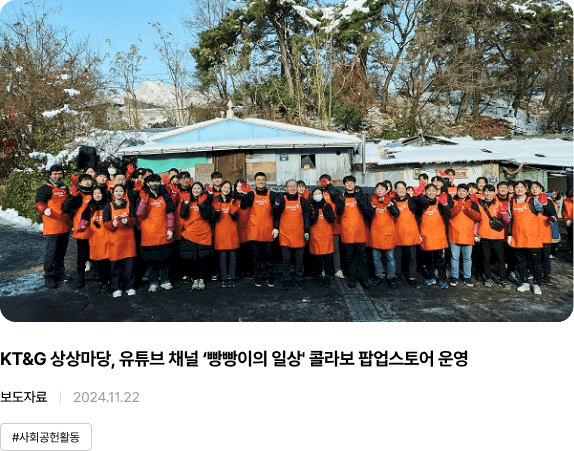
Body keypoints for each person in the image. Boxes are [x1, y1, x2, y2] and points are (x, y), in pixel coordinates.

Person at [135, 174, 175, 292]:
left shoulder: (165, 196)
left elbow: (170, 213)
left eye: (157, 181)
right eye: (152, 182)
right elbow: (139, 215)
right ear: (148, 184)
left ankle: (165, 281)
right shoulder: (142, 196)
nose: (155, 184)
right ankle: (153, 282)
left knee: (165, 259)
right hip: (149, 234)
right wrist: (144, 201)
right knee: (151, 261)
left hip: (163, 232)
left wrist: (170, 229)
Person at [35, 164, 73, 288]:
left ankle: (60, 272)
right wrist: (43, 209)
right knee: (51, 253)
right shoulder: (45, 189)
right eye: (55, 174)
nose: (57, 176)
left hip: (65, 225)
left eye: (60, 173)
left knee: (61, 252)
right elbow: (39, 203)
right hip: (52, 226)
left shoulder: (64, 188)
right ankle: (49, 277)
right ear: (50, 175)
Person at [240, 172, 280, 287]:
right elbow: (243, 206)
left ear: (266, 181)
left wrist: (276, 227)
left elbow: (277, 213)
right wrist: (243, 195)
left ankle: (269, 278)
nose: (261, 182)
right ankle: (258, 278)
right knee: (256, 257)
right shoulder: (250, 195)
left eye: (263, 179)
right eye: (258, 180)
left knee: (269, 258)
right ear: (255, 182)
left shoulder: (272, 195)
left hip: (268, 231)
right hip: (254, 231)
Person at [336, 175, 373, 289]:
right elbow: (338, 212)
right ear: (344, 185)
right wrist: (341, 202)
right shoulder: (341, 197)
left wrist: (360, 200)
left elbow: (367, 211)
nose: (349, 184)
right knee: (349, 256)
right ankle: (351, 278)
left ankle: (364, 278)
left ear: (355, 184)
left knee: (362, 256)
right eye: (347, 182)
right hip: (347, 231)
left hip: (360, 231)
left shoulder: (361, 196)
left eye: (351, 182)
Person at [508, 181, 544, 295]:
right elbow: (510, 220)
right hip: (518, 237)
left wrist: (545, 203)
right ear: (514, 189)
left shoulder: (532, 201)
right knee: (521, 262)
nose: (519, 189)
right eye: (517, 187)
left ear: (526, 189)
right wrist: (509, 235)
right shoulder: (511, 202)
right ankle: (524, 283)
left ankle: (537, 284)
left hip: (533, 238)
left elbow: (544, 210)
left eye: (521, 187)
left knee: (535, 263)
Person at [472, 184, 510, 288]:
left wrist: (504, 212)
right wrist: (475, 234)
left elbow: (507, 221)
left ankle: (502, 279)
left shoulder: (499, 204)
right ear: (483, 192)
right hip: (484, 235)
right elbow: (476, 221)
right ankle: (488, 278)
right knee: (486, 259)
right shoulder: (479, 204)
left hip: (497, 236)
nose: (488, 193)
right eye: (486, 191)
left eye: (490, 191)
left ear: (494, 193)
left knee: (500, 259)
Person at [275, 179, 311, 289]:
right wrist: (276, 228)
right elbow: (277, 215)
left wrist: (306, 230)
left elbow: (306, 216)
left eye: (294, 186)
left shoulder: (302, 201)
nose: (292, 188)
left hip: (299, 235)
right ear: (286, 188)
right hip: (285, 235)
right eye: (289, 186)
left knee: (299, 260)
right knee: (286, 260)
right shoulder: (282, 200)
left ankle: (299, 279)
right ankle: (286, 279)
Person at [103, 185, 137, 298]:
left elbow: (134, 220)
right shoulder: (108, 206)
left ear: (124, 192)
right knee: (115, 266)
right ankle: (116, 288)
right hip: (115, 240)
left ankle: (130, 286)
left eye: (121, 191)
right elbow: (105, 223)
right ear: (113, 193)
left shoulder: (129, 204)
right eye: (116, 191)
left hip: (128, 240)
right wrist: (112, 224)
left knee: (130, 265)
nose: (119, 193)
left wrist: (128, 221)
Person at [179, 181, 213, 290]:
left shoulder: (206, 200)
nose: (196, 190)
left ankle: (201, 279)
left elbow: (208, 215)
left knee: (203, 258)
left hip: (203, 232)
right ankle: (194, 279)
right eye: (194, 188)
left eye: (198, 188)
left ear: (202, 190)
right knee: (192, 258)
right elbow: (182, 215)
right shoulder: (187, 200)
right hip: (190, 233)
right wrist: (185, 203)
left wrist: (201, 204)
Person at [61, 174, 93, 288]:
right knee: (82, 253)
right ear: (80, 182)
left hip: (96, 227)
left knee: (95, 251)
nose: (87, 182)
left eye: (89, 180)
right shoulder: (78, 194)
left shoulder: (96, 192)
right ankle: (81, 275)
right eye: (84, 180)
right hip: (82, 227)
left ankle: (97, 273)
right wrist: (72, 196)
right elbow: (65, 208)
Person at [77, 186, 111, 292]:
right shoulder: (90, 206)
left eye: (99, 193)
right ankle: (102, 281)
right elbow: (84, 218)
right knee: (97, 260)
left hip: (107, 236)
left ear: (103, 194)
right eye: (95, 193)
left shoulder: (108, 204)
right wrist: (82, 225)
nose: (97, 195)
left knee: (108, 260)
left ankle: (109, 281)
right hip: (95, 238)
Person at [418, 184, 450, 288]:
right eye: (429, 190)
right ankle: (431, 277)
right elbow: (417, 219)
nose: (431, 192)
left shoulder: (440, 202)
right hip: (426, 235)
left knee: (440, 260)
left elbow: (448, 216)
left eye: (433, 190)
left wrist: (446, 205)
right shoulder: (421, 203)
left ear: (437, 192)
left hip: (439, 236)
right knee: (429, 260)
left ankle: (442, 279)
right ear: (425, 192)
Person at [448, 184, 480, 287]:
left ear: (467, 193)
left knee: (467, 258)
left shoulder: (473, 203)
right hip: (454, 233)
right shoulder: (452, 202)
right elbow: (448, 215)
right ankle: (454, 276)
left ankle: (467, 277)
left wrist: (468, 210)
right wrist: (457, 208)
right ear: (457, 191)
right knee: (454, 257)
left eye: (464, 191)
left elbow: (478, 217)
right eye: (460, 190)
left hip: (468, 234)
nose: (461, 193)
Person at [368, 183, 400, 288]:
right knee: (376, 257)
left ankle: (391, 277)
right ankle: (379, 276)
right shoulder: (372, 201)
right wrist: (373, 207)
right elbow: (368, 216)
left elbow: (396, 214)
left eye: (382, 188)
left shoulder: (391, 201)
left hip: (388, 233)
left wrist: (389, 204)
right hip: (376, 233)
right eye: (377, 188)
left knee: (390, 257)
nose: (379, 190)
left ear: (386, 191)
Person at [393, 181, 422, 287]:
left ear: (406, 189)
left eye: (403, 188)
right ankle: (398, 275)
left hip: (411, 234)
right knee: (397, 258)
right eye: (399, 188)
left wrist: (419, 196)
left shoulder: (412, 201)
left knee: (412, 258)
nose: (401, 190)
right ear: (395, 190)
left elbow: (421, 210)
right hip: (397, 234)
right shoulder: (392, 202)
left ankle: (412, 277)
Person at [212, 181, 240, 288]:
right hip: (220, 231)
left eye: (228, 188)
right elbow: (212, 218)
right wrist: (217, 212)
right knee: (222, 256)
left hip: (232, 231)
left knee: (233, 255)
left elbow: (237, 217)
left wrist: (233, 213)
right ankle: (224, 278)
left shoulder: (233, 201)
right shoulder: (215, 200)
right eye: (225, 187)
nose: (226, 189)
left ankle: (232, 277)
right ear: (221, 188)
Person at [529, 181, 557, 284]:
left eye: (537, 187)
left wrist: (545, 204)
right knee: (534, 256)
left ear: (541, 189)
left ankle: (546, 275)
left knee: (545, 256)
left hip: (544, 232)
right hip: (532, 233)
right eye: (532, 187)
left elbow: (553, 214)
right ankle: (535, 273)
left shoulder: (547, 201)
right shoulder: (528, 201)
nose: (534, 189)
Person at [308, 187, 336, 287]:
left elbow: (332, 219)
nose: (318, 195)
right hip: (315, 235)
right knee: (317, 257)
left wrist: (326, 214)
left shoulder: (327, 205)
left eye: (319, 193)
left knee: (328, 257)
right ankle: (319, 276)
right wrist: (315, 215)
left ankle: (327, 276)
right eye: (315, 194)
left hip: (327, 234)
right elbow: (308, 221)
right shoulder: (310, 206)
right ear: (312, 196)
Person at [319, 174, 344, 279]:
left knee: (336, 249)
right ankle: (324, 269)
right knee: (323, 248)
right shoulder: (319, 193)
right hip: (322, 225)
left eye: (326, 181)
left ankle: (337, 269)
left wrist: (331, 189)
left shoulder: (337, 192)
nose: (324, 183)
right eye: (322, 181)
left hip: (335, 225)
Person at [233, 179, 253, 277]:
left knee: (248, 250)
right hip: (237, 227)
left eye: (242, 186)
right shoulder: (233, 199)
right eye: (238, 186)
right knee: (238, 250)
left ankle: (248, 269)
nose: (240, 188)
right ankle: (239, 269)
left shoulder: (249, 198)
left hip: (248, 226)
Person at [562, 189, 574, 260]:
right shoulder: (566, 201)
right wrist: (567, 220)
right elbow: (564, 212)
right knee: (571, 239)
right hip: (570, 223)